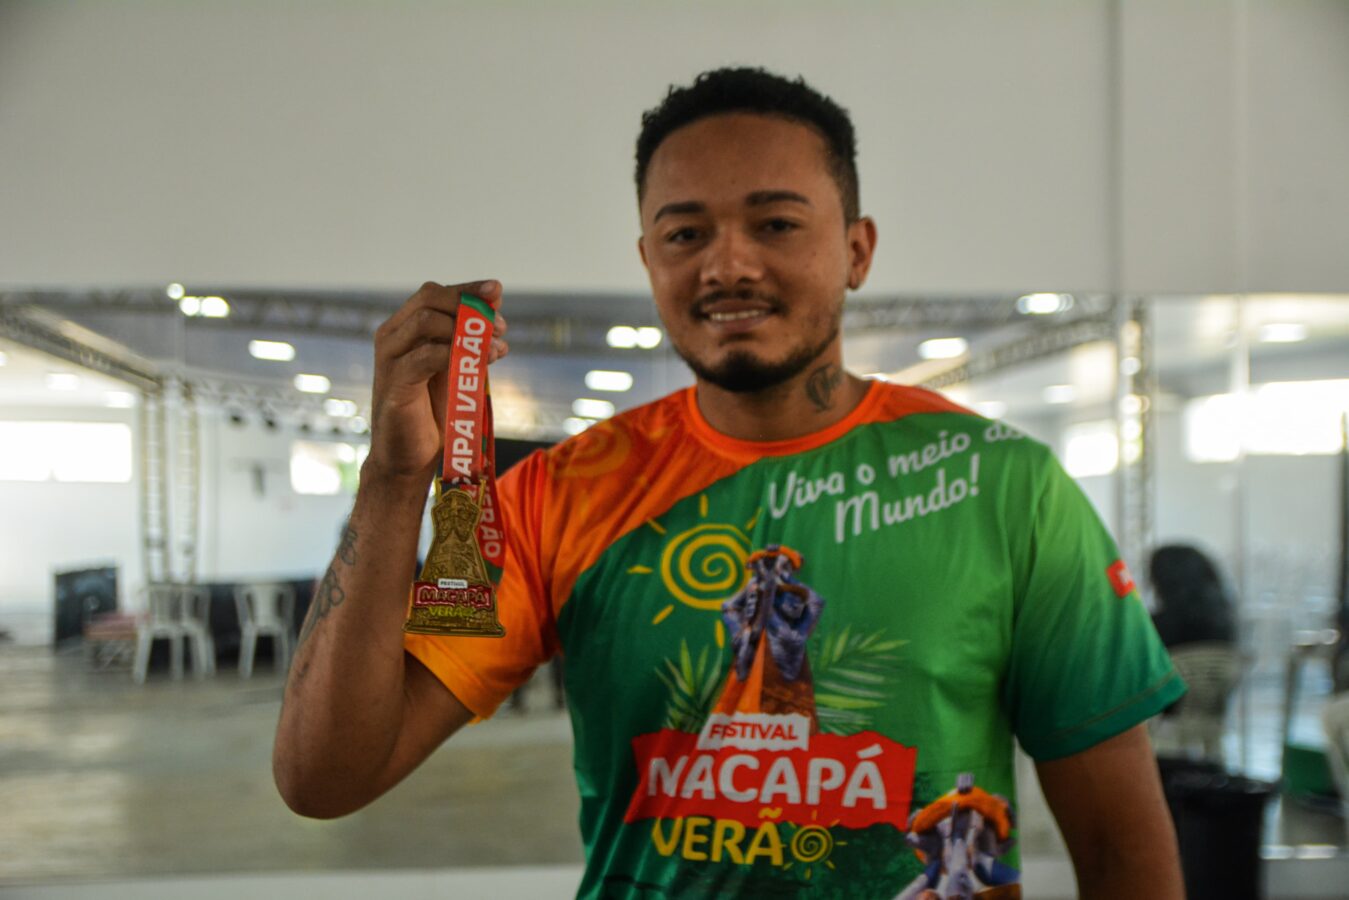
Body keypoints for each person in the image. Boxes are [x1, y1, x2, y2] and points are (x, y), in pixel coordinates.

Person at [274, 67, 1186, 898]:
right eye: (685, 233)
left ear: (857, 250)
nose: (727, 265)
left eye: (775, 224)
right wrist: (393, 479)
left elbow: (1119, 849)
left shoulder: (1004, 486)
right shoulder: (564, 492)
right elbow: (324, 777)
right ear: (649, 261)